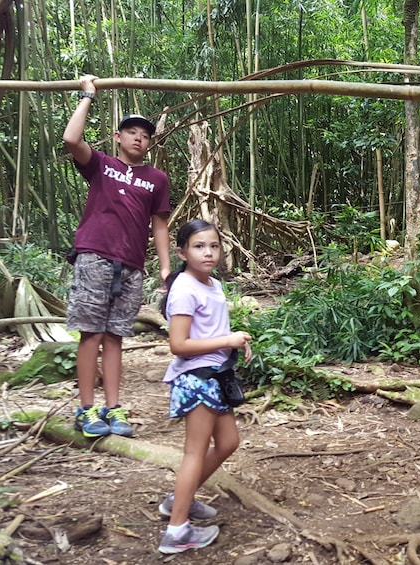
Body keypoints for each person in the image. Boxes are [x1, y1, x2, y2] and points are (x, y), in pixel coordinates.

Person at [63, 74, 172, 438]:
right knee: (90, 335)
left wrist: (166, 269)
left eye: (145, 134)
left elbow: (159, 225)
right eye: (132, 132)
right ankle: (85, 408)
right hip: (94, 256)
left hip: (131, 265)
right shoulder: (102, 165)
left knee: (115, 337)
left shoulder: (157, 179)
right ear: (118, 137)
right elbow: (70, 139)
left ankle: (112, 407)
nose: (139, 137)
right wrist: (88, 96)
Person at [157, 219, 252, 554]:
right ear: (183, 252)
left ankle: (177, 501)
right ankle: (177, 532)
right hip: (196, 380)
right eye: (199, 246)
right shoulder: (183, 287)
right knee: (194, 453)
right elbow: (178, 344)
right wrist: (227, 339)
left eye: (213, 245)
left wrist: (232, 345)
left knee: (228, 441)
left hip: (215, 376)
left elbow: (208, 332)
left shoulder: (212, 284)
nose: (208, 252)